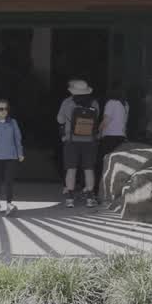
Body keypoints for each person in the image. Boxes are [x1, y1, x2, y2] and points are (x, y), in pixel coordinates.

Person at [56, 79, 100, 208]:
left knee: (71, 169)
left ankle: (70, 198)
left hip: (72, 140)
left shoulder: (68, 102)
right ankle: (90, 198)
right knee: (89, 169)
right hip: (90, 141)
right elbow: (96, 119)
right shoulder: (94, 103)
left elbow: (60, 120)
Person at [98, 85, 130, 198]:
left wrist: (98, 131)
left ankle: (104, 191)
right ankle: (115, 191)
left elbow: (106, 120)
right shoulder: (125, 105)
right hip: (121, 137)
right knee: (117, 166)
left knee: (105, 165)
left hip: (109, 137)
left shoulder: (111, 103)